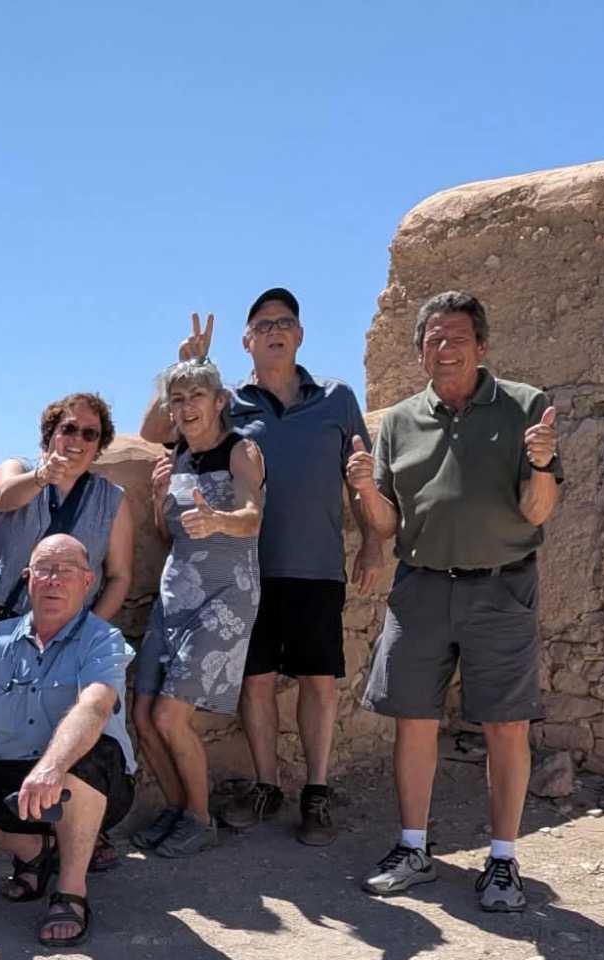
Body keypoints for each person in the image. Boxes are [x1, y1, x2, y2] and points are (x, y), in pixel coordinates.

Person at [140, 297, 383, 845]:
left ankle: (316, 792)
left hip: (315, 562)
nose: (275, 331)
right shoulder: (229, 402)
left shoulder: (337, 398)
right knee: (256, 681)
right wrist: (186, 363)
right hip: (245, 575)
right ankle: (266, 785)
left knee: (318, 679)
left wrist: (372, 542)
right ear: (246, 342)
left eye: (285, 323)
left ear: (300, 334)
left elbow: (359, 477)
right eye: (263, 325)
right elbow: (158, 428)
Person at [351, 290, 561, 912]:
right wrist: (365, 490)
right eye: (433, 340)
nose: (445, 350)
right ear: (419, 351)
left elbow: (537, 511)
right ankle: (413, 849)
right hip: (420, 587)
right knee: (413, 718)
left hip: (501, 586)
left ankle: (502, 861)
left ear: (482, 346)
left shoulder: (525, 406)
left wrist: (542, 464)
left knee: (506, 724)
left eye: (458, 338)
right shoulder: (399, 422)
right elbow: (387, 525)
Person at [0, 535, 136, 946]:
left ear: (87, 581)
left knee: (87, 756)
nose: (53, 580)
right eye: (44, 569)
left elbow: (94, 706)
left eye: (65, 570)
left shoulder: (102, 639)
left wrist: (51, 767)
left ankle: (71, 892)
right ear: (27, 578)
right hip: (20, 782)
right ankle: (33, 848)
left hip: (93, 781)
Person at [128, 359, 266, 859]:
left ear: (219, 401)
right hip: (174, 598)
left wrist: (220, 521)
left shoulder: (241, 451)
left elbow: (252, 518)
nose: (187, 408)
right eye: (178, 399)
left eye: (197, 397)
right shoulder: (178, 457)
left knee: (170, 715)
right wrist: (159, 496)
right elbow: (170, 534)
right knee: (143, 715)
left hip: (225, 597)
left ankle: (200, 820)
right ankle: (177, 807)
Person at [0, 393, 134, 640]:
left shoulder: (111, 500)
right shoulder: (17, 469)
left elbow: (119, 576)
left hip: (60, 636)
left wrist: (83, 631)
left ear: (99, 445)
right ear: (51, 433)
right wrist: (41, 477)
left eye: (90, 434)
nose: (78, 439)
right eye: (69, 429)